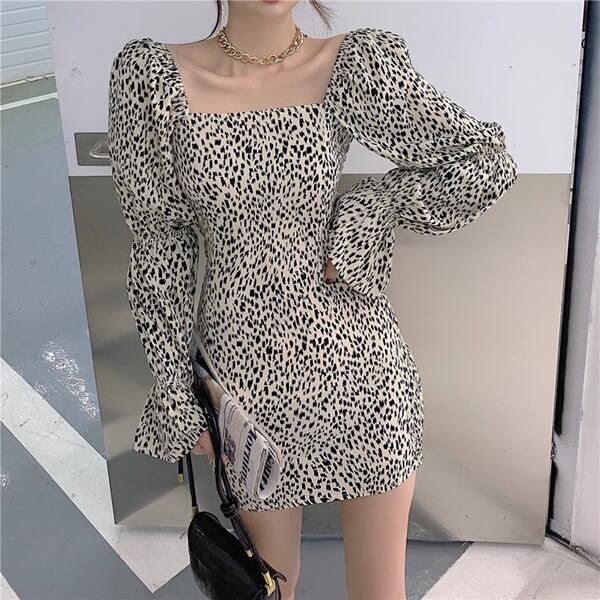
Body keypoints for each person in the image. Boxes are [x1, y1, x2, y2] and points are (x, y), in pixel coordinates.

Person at [107, 1, 518, 598]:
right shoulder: (155, 80)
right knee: (267, 589)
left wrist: (374, 207)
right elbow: (159, 246)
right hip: (248, 390)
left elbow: (484, 161)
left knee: (379, 591)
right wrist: (172, 387)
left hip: (364, 380)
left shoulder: (352, 65)